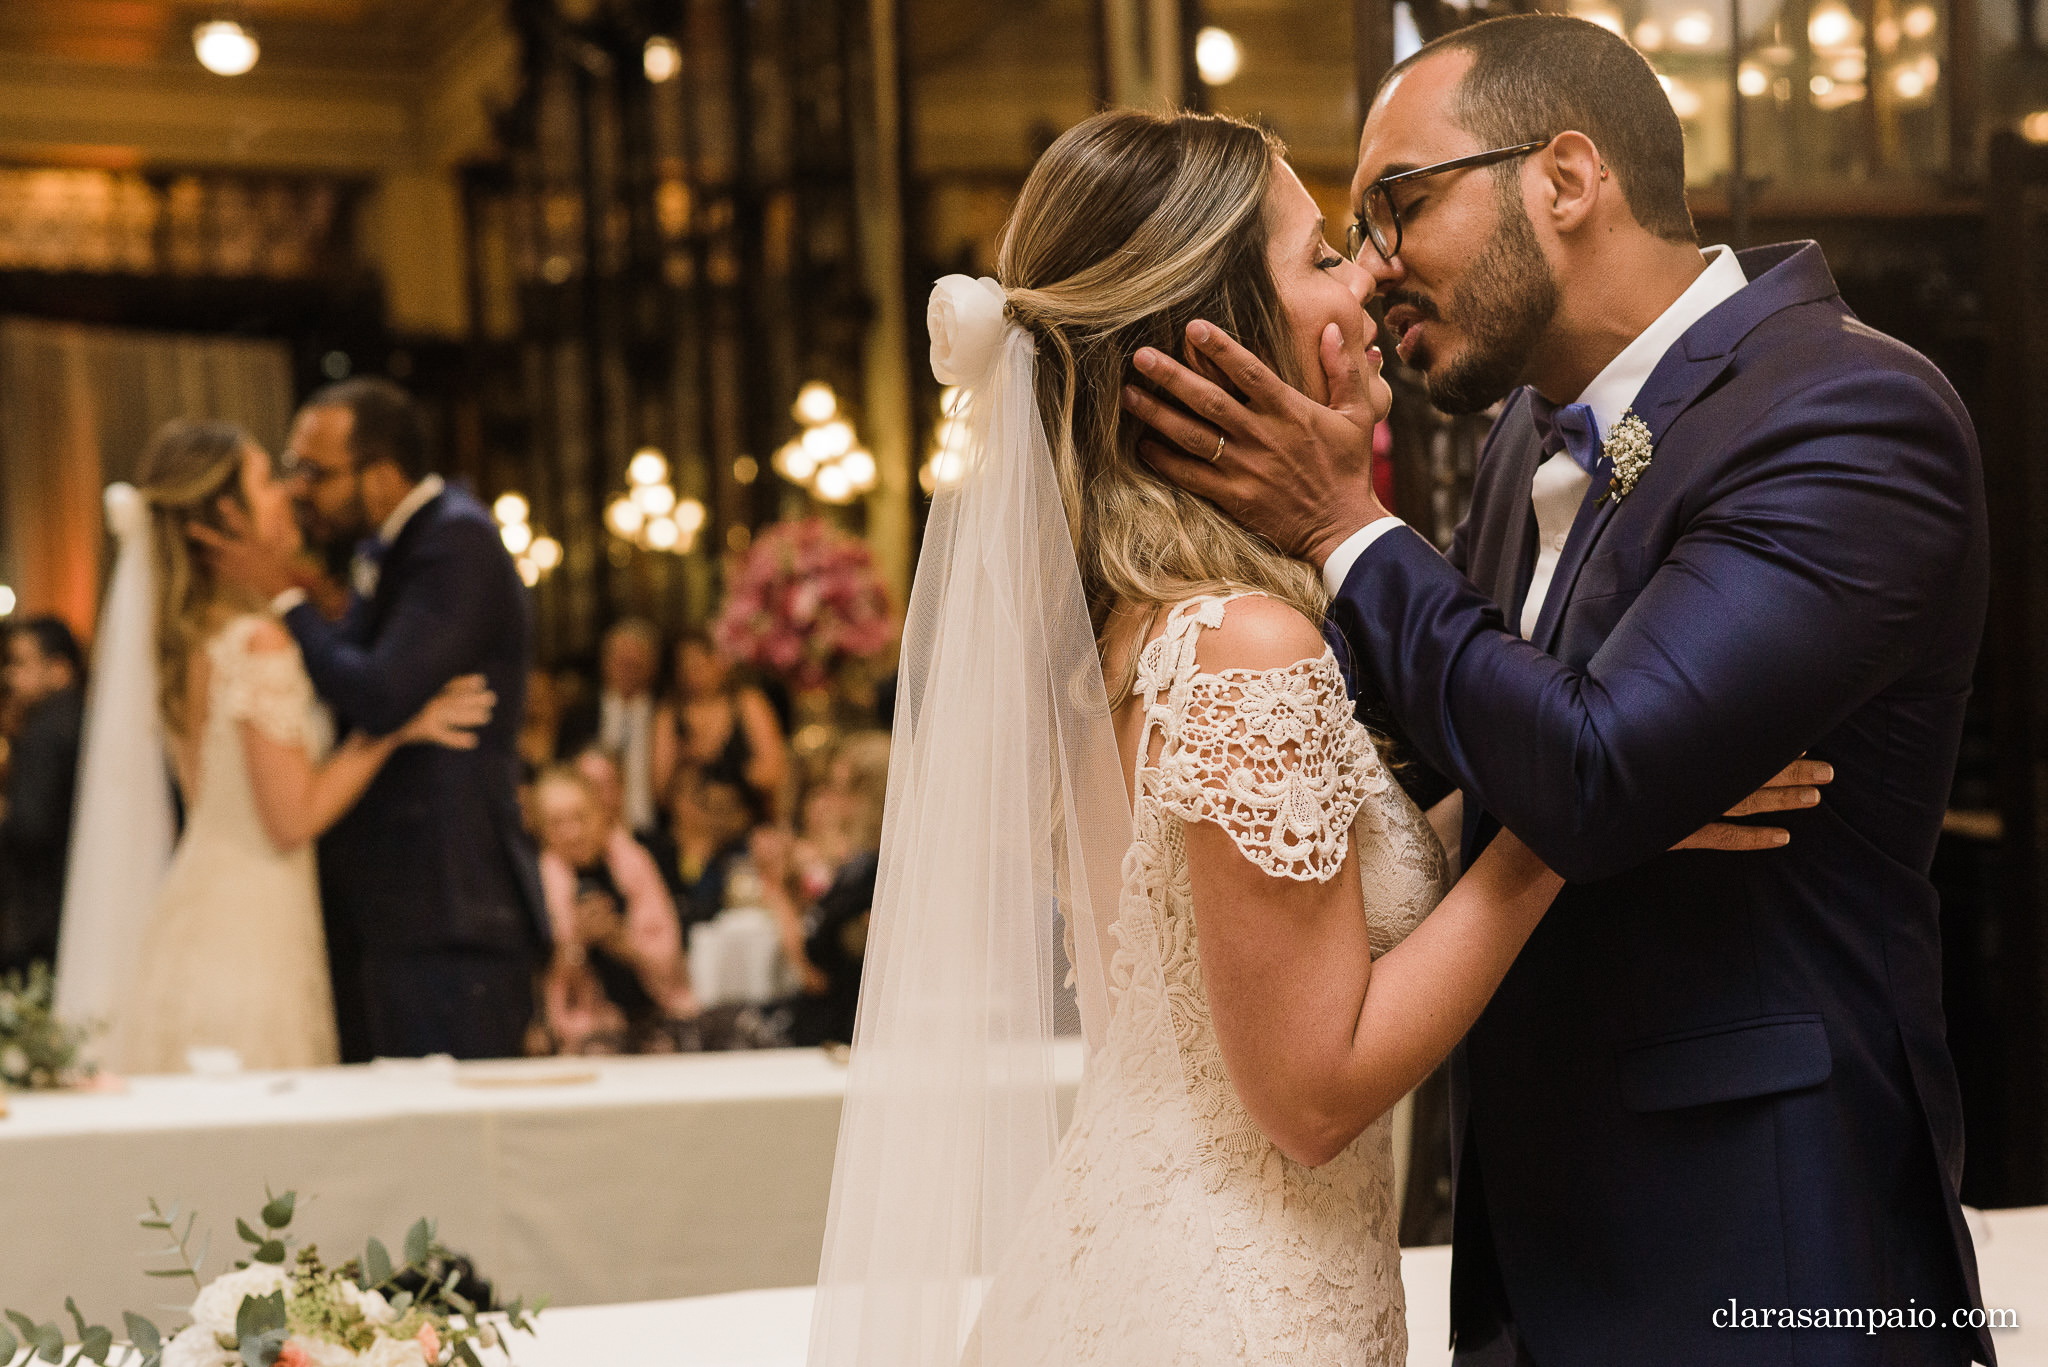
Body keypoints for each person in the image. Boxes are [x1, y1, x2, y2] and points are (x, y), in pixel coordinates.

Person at [809, 108, 1814, 1366]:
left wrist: (1631, 760)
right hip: (1227, 1308)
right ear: (1224, 338)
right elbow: (1311, 1091)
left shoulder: (1136, 629)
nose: (1367, 273)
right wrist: (1565, 830)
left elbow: (1298, 916)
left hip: (1163, 1260)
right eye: (1322, 252)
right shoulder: (1241, 645)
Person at [1123, 17, 1992, 1367]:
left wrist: (1345, 529)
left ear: (1567, 179)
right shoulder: (1532, 427)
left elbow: (1591, 777)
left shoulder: (1848, 412)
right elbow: (1453, 758)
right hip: (1539, 1255)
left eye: (1400, 205)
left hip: (1764, 1251)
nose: (1375, 266)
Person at [89, 421, 489, 1074]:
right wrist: (390, 729)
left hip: (194, 915)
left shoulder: (187, 641)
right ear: (228, 513)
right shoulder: (255, 643)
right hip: (248, 936)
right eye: (265, 481)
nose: (284, 494)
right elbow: (290, 817)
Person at [197, 377, 551, 1063]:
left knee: (454, 1142)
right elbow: (362, 687)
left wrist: (286, 594)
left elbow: (379, 692)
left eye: (315, 472)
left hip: (452, 907)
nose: (300, 487)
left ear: (382, 475)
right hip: (406, 909)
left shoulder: (456, 543)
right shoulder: (394, 546)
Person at [531, 765, 695, 1053]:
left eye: (579, 817)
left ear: (600, 813)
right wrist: (576, 943)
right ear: (540, 830)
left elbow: (669, 958)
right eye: (556, 823)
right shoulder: (536, 881)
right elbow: (541, 990)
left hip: (658, 1014)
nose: (572, 833)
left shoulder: (634, 862)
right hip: (580, 1032)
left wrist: (618, 938)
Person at [754, 731, 889, 1047]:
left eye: (839, 790)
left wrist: (776, 893)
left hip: (835, 1034)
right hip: (825, 1022)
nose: (829, 801)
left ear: (866, 799)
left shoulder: (870, 875)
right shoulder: (860, 869)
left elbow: (816, 977)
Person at [0, 617, 85, 975]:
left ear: (59, 668)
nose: (9, 676)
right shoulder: (80, 715)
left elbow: (30, 825)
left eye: (20, 663)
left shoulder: (47, 730)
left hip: (41, 910)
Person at [651, 629, 787, 824]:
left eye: (699, 665)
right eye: (686, 668)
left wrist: (732, 768)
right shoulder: (670, 712)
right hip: (690, 824)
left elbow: (772, 772)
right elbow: (660, 790)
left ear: (718, 661)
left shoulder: (748, 702)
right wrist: (686, 761)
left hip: (744, 822)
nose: (693, 676)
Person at [557, 619, 662, 833]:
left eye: (635, 664)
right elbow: (563, 774)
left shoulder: (665, 713)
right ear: (605, 662)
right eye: (621, 662)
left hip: (656, 830)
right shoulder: (578, 717)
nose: (627, 670)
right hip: (594, 833)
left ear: (653, 666)